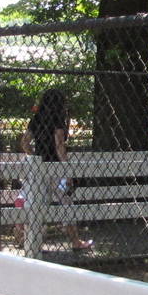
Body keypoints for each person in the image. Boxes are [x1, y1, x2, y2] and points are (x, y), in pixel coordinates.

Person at [19, 87, 91, 252]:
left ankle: (30, 242)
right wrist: (67, 171)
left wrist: (35, 157)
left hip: (39, 168)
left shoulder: (36, 119)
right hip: (55, 167)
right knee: (66, 203)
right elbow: (59, 145)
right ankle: (75, 241)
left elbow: (24, 143)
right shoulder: (58, 119)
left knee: (36, 203)